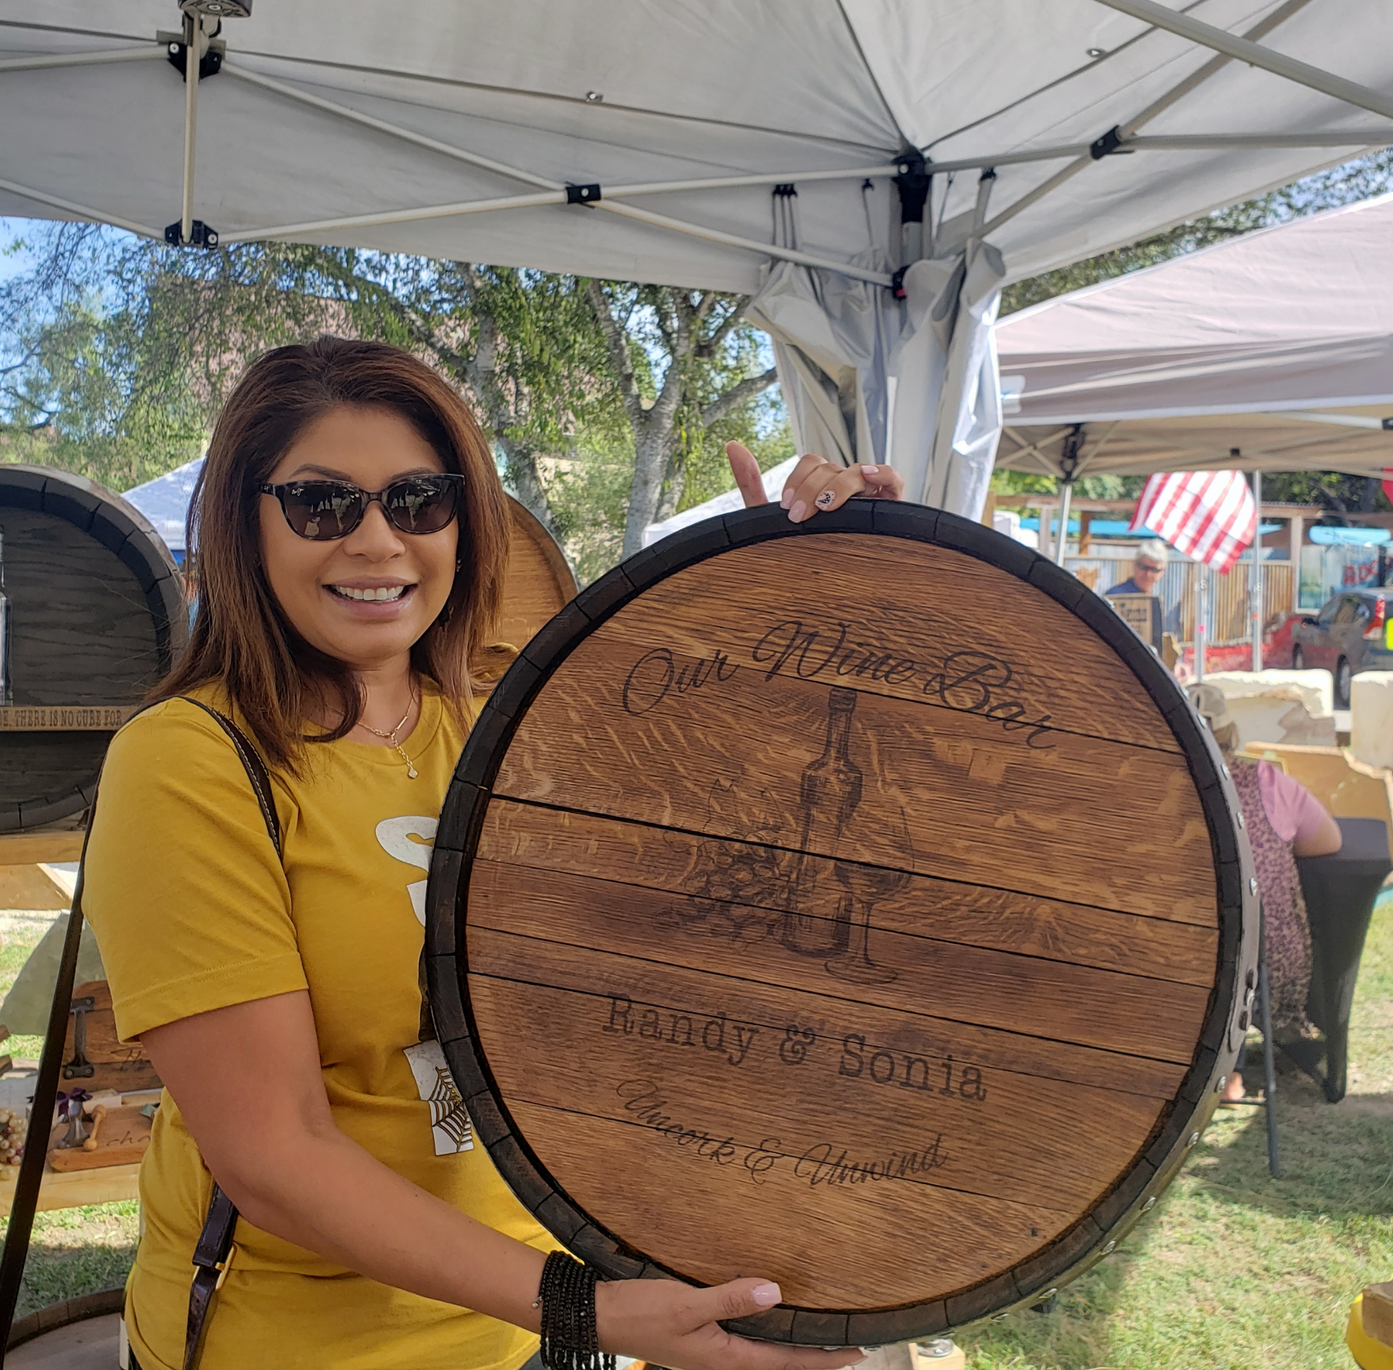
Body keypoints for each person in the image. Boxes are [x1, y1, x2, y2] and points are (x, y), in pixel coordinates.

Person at [84, 336, 901, 1370]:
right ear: (244, 526)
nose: (377, 539)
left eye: (418, 500)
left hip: (550, 1324)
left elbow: (737, 846)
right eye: (321, 503)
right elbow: (274, 1156)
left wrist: (805, 579)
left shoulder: (512, 723)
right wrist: (582, 1307)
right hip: (314, 1343)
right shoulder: (191, 761)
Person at [1187, 683, 1343, 1103]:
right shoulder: (1266, 780)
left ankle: (1219, 1069)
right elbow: (1328, 840)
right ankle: (1231, 1073)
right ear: (1230, 734)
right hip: (1271, 963)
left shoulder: (1164, 785)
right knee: (1237, 948)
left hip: (1188, 954)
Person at [1105, 538, 1168, 645]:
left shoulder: (1153, 600)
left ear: (1163, 571)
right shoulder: (1115, 596)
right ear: (1134, 565)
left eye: (1154, 570)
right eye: (1143, 567)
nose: (1148, 574)